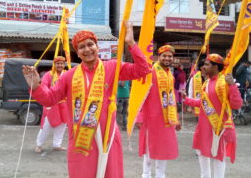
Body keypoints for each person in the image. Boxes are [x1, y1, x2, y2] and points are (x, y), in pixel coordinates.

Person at [22, 21, 149, 178]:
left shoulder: (112, 68)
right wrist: (36, 86)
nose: (87, 49)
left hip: (107, 136)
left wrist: (130, 43)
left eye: (90, 44)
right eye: (82, 47)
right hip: (81, 139)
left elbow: (143, 70)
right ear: (78, 52)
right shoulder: (69, 76)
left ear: (97, 46)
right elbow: (50, 99)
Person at [182, 54, 242, 178]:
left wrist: (232, 86)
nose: (203, 67)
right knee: (202, 154)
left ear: (215, 67)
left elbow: (237, 104)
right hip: (204, 127)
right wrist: (187, 100)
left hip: (218, 127)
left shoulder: (224, 82)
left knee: (218, 157)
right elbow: (203, 103)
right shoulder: (207, 82)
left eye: (207, 64)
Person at [136, 45, 181, 178]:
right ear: (158, 57)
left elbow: (172, 98)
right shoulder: (150, 72)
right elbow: (140, 95)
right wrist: (139, 117)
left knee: (164, 149)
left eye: (170, 56)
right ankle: (146, 174)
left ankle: (161, 175)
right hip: (151, 118)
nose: (167, 58)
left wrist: (176, 119)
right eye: (164, 56)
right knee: (150, 149)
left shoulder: (170, 75)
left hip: (167, 119)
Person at [35, 56, 68, 153]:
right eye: (58, 63)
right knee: (46, 125)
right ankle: (39, 144)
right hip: (52, 104)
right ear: (54, 64)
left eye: (61, 63)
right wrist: (50, 94)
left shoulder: (66, 74)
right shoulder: (49, 74)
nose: (60, 65)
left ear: (64, 64)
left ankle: (57, 144)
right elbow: (43, 86)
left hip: (64, 105)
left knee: (62, 125)